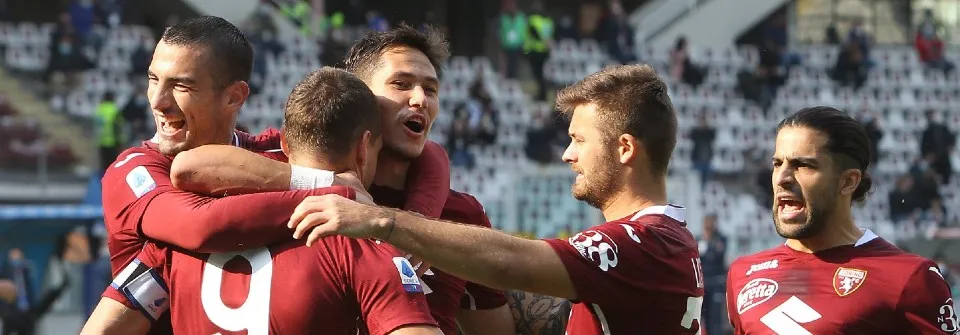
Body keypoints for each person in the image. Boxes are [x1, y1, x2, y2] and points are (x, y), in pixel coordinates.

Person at [284, 64, 705, 334]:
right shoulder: (667, 241)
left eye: (579, 140)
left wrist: (383, 221)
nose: (567, 154)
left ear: (625, 148)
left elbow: (514, 262)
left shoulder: (639, 244)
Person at [96, 16, 450, 334]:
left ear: (234, 97)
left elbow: (429, 153)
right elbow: (199, 224)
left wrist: (414, 226)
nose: (157, 100)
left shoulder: (262, 157)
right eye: (153, 79)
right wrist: (333, 188)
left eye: (181, 85)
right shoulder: (133, 171)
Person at [164, 25, 518, 335]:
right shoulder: (279, 165)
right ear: (358, 93)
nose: (420, 99)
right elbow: (193, 166)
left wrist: (415, 223)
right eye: (401, 84)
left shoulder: (460, 214)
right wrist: (330, 183)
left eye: (431, 89)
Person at [725, 106, 960, 334]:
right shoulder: (743, 273)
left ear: (848, 181)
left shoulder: (909, 277)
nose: (782, 178)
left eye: (803, 165)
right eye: (778, 164)